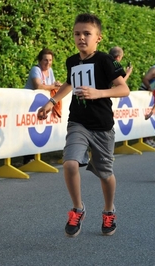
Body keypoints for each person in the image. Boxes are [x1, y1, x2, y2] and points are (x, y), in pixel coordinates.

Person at [37, 13, 129, 237]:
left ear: (98, 37)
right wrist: (52, 101)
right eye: (77, 34)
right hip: (78, 122)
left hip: (102, 126)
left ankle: (109, 211)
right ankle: (78, 209)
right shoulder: (72, 61)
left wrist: (99, 93)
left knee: (105, 173)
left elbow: (123, 89)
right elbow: (70, 82)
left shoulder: (105, 60)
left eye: (87, 34)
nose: (81, 38)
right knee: (69, 164)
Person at [23, 48, 62, 164]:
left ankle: (37, 156)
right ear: (40, 60)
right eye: (45, 60)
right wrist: (54, 86)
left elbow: (52, 86)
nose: (48, 63)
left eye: (50, 60)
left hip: (43, 104)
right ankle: (28, 158)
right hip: (30, 104)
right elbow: (38, 86)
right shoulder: (35, 69)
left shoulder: (50, 71)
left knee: (39, 129)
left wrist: (55, 86)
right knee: (29, 129)